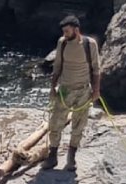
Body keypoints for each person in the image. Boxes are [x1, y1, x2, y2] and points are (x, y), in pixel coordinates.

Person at [44, 15, 103, 172]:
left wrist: (96, 90)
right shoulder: (62, 43)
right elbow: (57, 67)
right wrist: (52, 88)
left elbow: (96, 69)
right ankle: (53, 155)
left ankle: (71, 158)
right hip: (64, 90)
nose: (65, 34)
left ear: (76, 30)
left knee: (79, 125)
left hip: (84, 90)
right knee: (55, 122)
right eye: (63, 31)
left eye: (67, 31)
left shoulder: (89, 44)